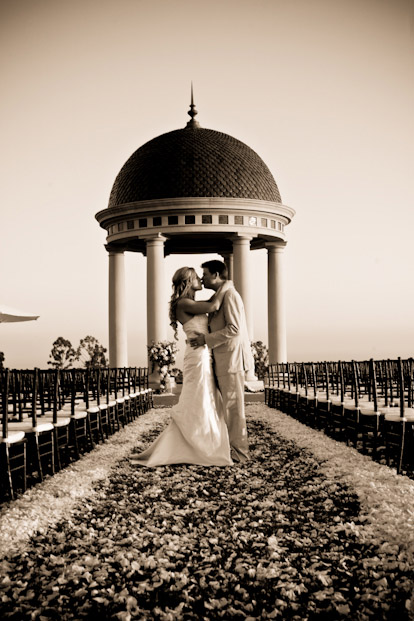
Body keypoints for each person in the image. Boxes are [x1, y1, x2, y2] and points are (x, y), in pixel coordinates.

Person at [131, 267, 233, 467]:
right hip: (198, 356)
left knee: (206, 396)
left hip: (203, 353)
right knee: (199, 397)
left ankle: (206, 442)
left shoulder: (191, 303)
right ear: (188, 281)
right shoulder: (184, 303)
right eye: (197, 277)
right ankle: (200, 446)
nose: (201, 280)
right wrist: (227, 285)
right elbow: (213, 306)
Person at [189, 260, 254, 463]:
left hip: (232, 361)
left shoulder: (231, 295)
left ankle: (240, 455)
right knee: (224, 409)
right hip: (221, 361)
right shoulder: (220, 294)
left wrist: (205, 340)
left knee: (234, 410)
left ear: (216, 275)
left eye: (205, 274)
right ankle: (227, 450)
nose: (202, 278)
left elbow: (234, 329)